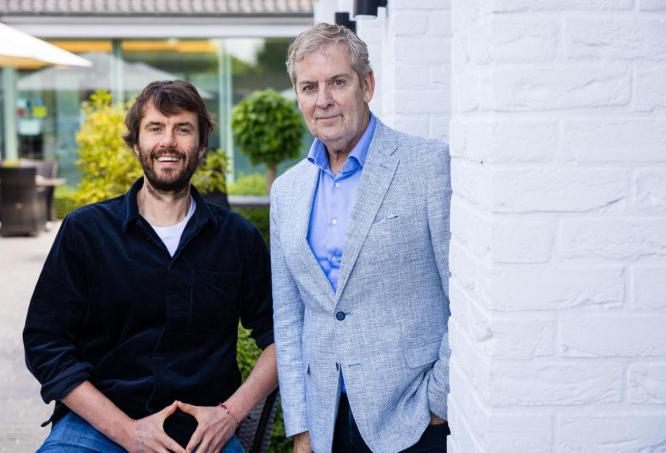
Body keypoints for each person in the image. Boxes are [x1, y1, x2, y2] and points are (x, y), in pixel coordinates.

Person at [23, 80, 277, 453]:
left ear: (201, 147)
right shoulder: (86, 231)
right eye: (155, 128)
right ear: (137, 143)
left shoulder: (237, 239)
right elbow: (44, 343)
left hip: (202, 432)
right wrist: (127, 432)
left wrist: (230, 413)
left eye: (183, 129)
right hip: (96, 428)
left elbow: (281, 336)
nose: (168, 142)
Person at [271, 23, 451, 453]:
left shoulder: (428, 165)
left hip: (412, 418)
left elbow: (461, 295)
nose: (323, 100)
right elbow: (288, 317)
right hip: (325, 423)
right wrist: (301, 427)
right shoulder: (286, 191)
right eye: (309, 87)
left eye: (337, 82)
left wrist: (438, 401)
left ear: (366, 85)